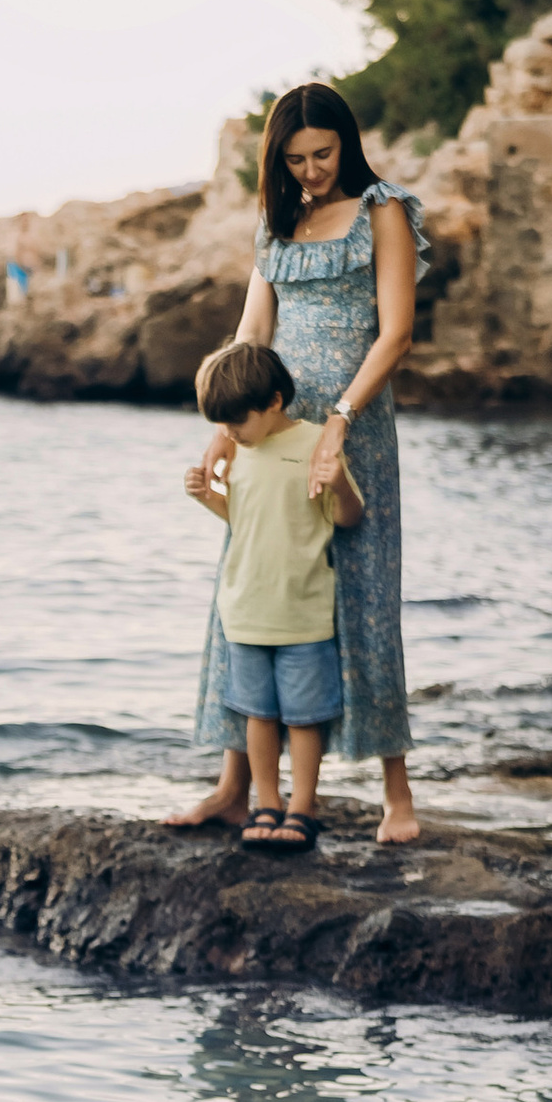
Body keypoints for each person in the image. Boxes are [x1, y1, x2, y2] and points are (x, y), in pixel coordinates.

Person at [173, 81, 425, 844]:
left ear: (346, 143)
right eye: (296, 159)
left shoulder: (384, 209)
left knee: (365, 594)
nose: (312, 170)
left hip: (353, 427)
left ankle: (397, 796)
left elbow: (397, 333)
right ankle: (233, 787)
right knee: (253, 584)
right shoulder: (276, 222)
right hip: (269, 424)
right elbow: (254, 327)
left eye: (323, 154)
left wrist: (341, 421)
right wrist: (224, 429)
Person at [168, 340, 361, 847]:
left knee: (303, 718)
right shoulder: (241, 453)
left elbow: (348, 517)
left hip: (303, 609)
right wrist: (208, 496)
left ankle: (302, 807)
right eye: (222, 427)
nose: (228, 435)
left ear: (274, 402)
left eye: (236, 424)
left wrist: (339, 483)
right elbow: (243, 520)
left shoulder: (317, 444)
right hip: (246, 609)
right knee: (258, 715)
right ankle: (265, 804)